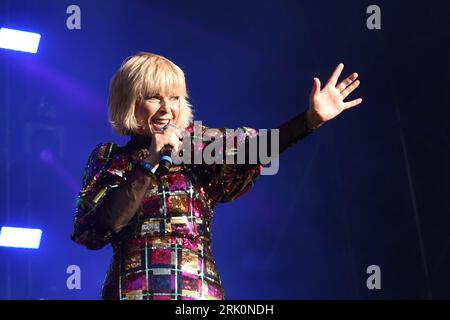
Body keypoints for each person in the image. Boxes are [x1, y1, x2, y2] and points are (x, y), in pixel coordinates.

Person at [70, 52, 362, 300]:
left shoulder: (199, 146)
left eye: (174, 98)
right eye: (153, 97)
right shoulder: (111, 159)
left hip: (197, 292)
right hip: (133, 291)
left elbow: (255, 150)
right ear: (129, 101)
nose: (167, 109)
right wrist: (150, 162)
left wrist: (308, 121)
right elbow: (102, 226)